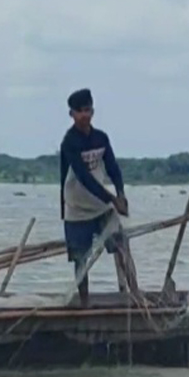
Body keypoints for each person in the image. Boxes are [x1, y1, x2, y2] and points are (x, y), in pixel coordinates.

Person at [59, 88, 139, 305]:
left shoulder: (101, 138)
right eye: (79, 111)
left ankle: (135, 295)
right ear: (72, 114)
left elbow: (113, 168)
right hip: (77, 208)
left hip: (102, 207)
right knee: (80, 259)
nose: (84, 115)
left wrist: (121, 193)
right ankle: (85, 304)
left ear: (92, 112)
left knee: (121, 248)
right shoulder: (69, 143)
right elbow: (84, 177)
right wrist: (112, 199)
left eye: (87, 110)